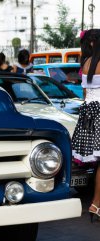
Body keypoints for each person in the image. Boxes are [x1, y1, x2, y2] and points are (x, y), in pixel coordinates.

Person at [71, 29, 100, 222]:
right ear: (93, 42)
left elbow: (85, 95)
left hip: (89, 114)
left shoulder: (86, 64)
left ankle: (96, 204)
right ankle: (96, 204)